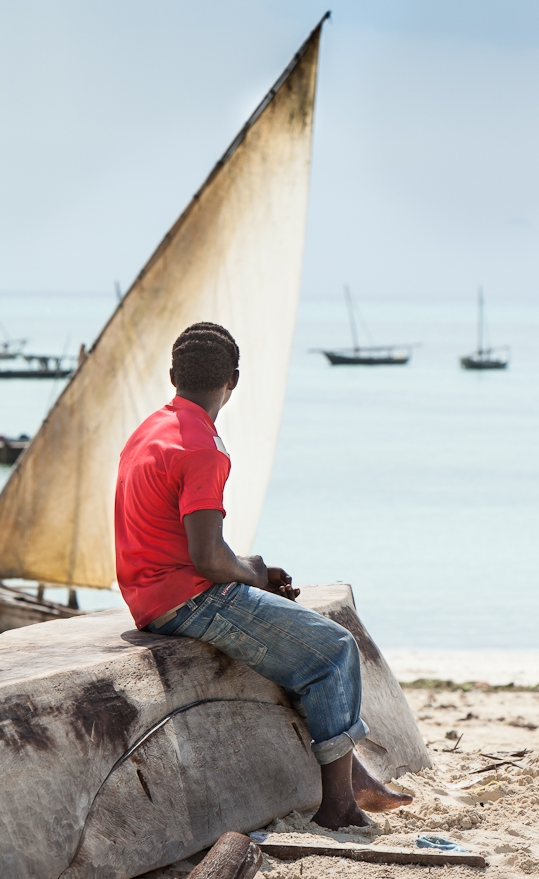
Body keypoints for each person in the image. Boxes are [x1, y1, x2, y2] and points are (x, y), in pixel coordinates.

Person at [115, 322, 412, 829]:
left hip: (146, 592)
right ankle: (338, 807)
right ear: (233, 380)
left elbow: (184, 541)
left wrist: (250, 572)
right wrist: (248, 573)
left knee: (299, 637)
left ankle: (354, 774)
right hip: (188, 599)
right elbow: (207, 558)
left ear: (172, 376)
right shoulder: (204, 448)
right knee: (335, 650)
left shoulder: (149, 430)